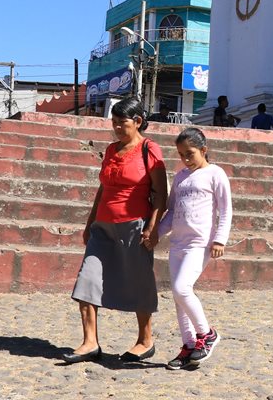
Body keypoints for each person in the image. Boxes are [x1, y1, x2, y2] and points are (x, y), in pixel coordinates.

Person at [63, 96, 168, 364]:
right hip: (103, 227)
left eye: (122, 123)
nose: (117, 128)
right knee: (87, 280)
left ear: (138, 122)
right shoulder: (111, 150)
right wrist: (89, 223)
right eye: (114, 122)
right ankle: (90, 342)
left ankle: (145, 340)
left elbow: (160, 194)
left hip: (134, 227)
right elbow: (103, 189)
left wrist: (153, 227)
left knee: (138, 282)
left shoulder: (149, 149)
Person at [157, 128, 233, 370]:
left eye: (189, 154)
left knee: (182, 289)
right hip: (178, 243)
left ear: (204, 150)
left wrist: (220, 239)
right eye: (181, 155)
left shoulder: (215, 173)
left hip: (200, 243)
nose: (185, 159)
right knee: (179, 299)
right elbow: (171, 214)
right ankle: (189, 346)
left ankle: (207, 334)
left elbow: (226, 210)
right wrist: (154, 235)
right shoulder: (180, 177)